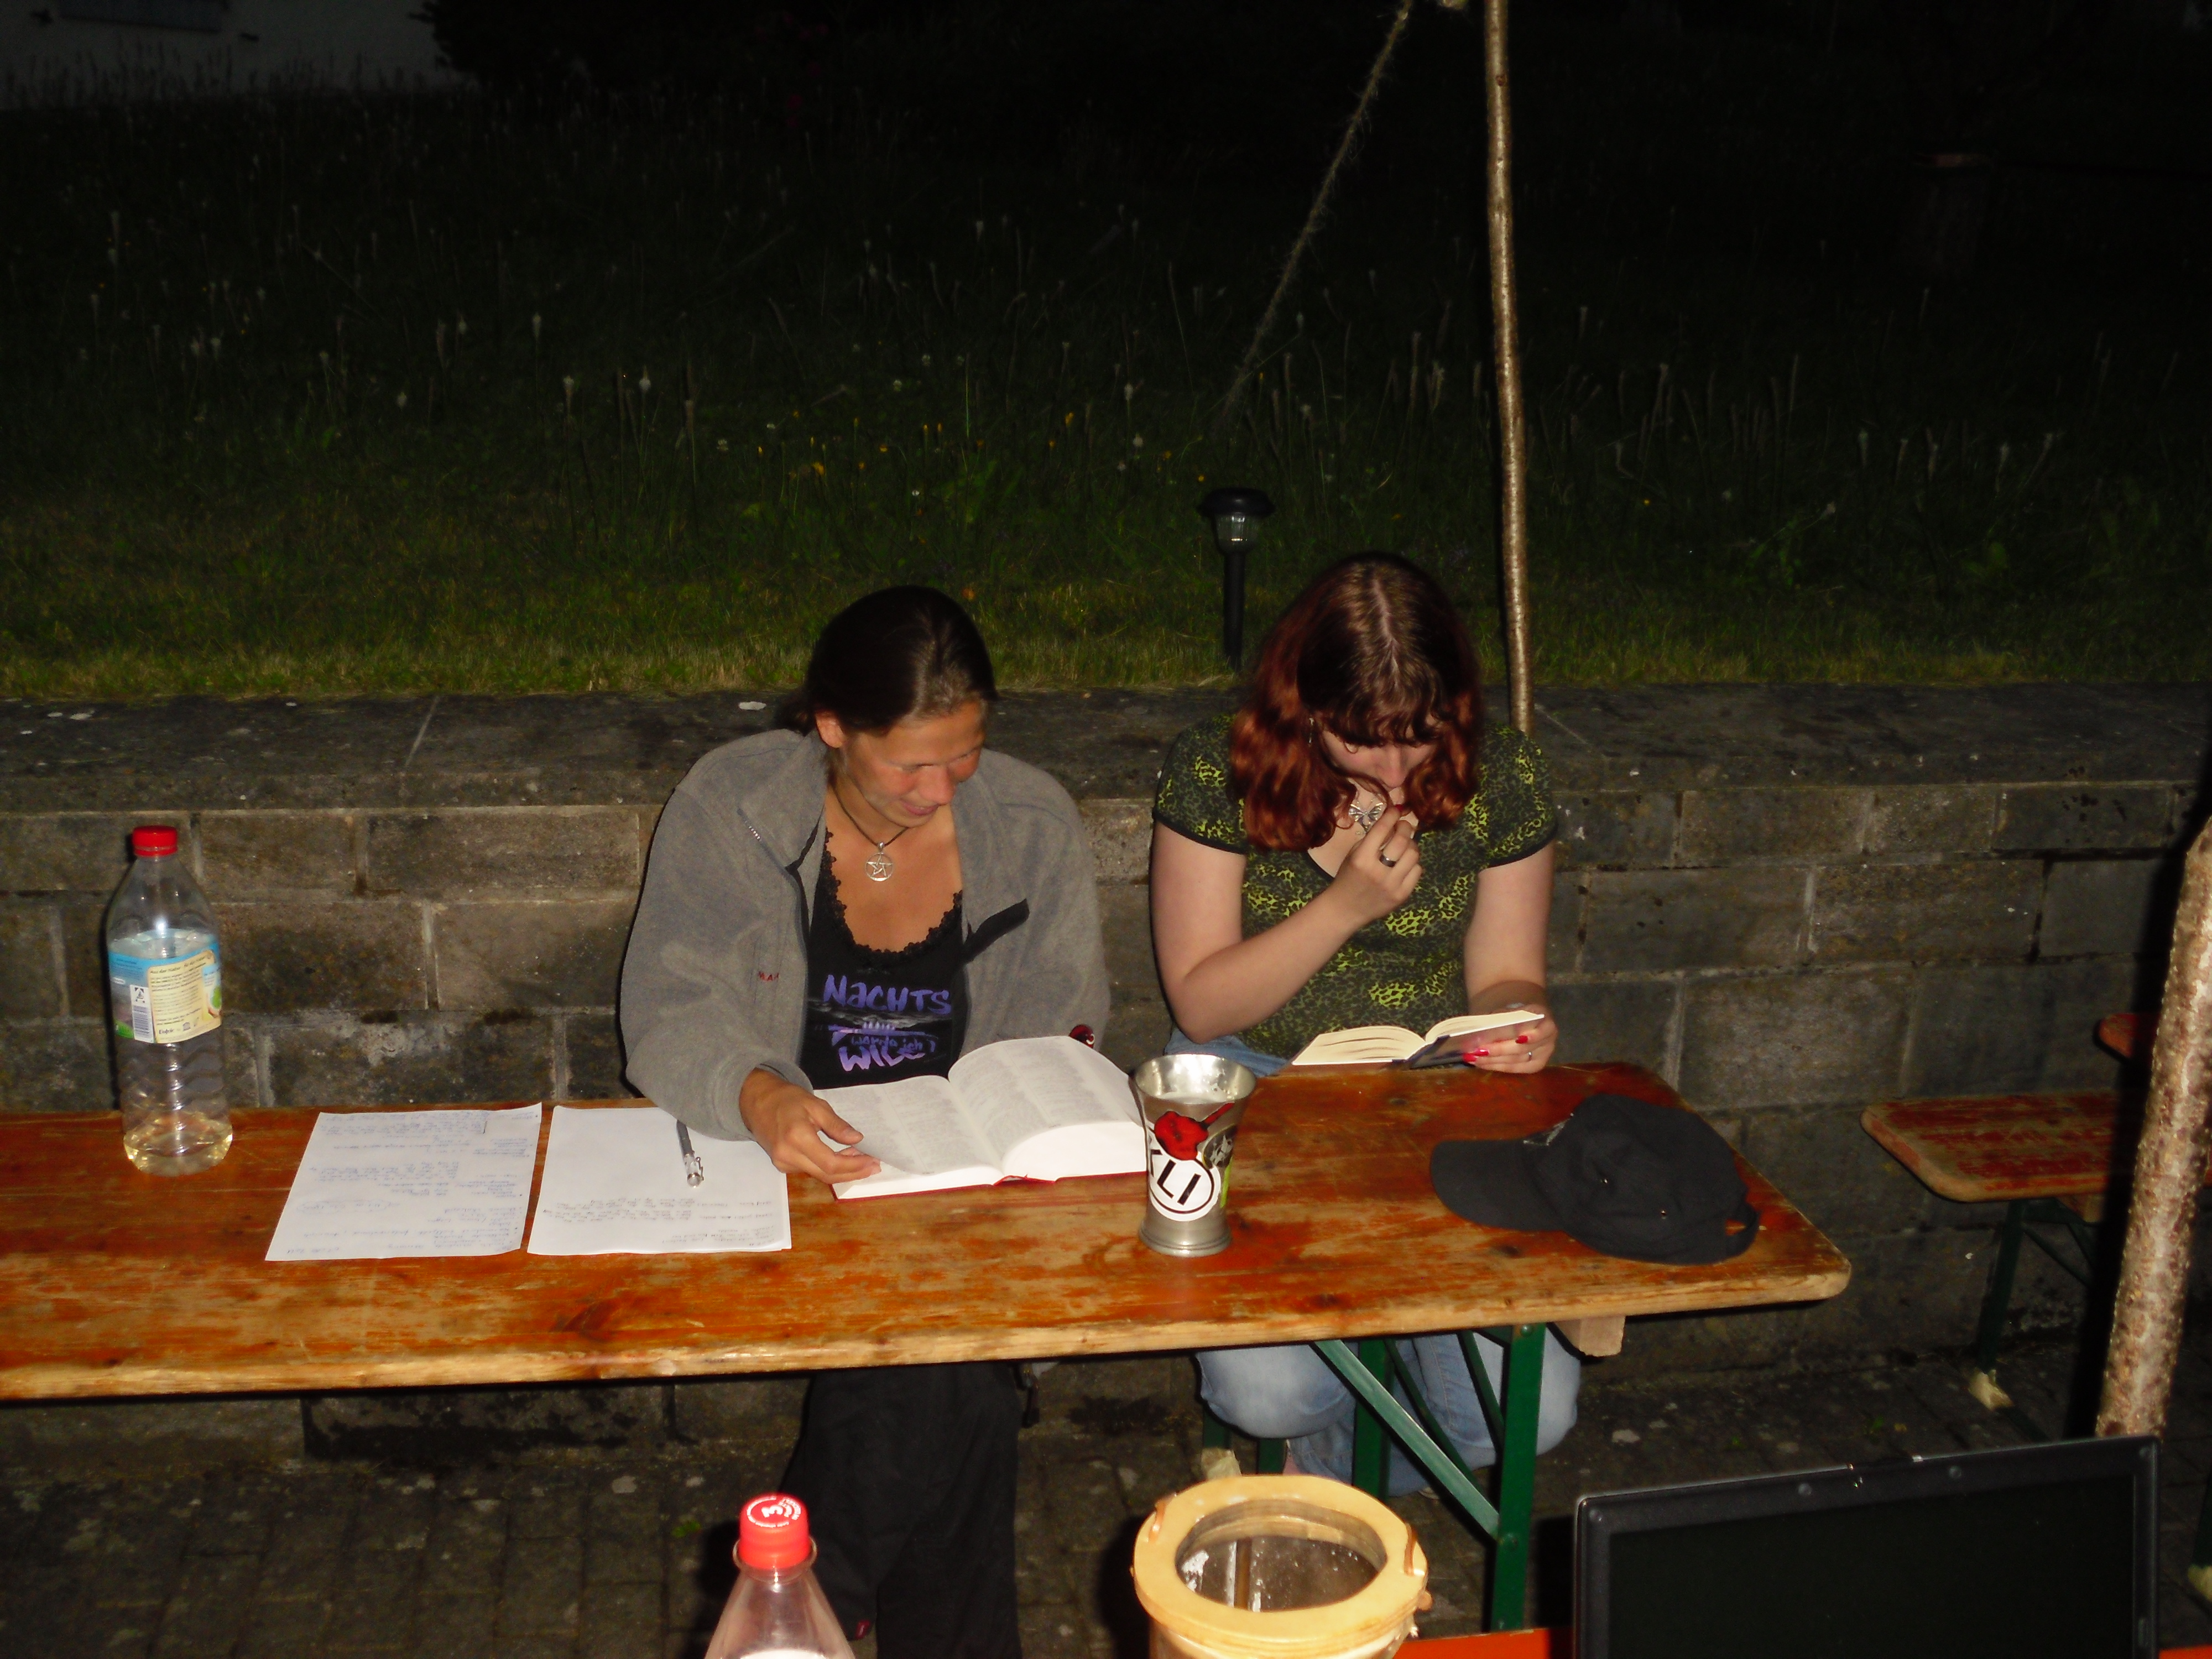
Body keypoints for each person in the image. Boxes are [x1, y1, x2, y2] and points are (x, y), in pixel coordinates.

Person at [622, 586, 1108, 1659]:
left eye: (965, 755)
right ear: (831, 727)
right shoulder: (737, 804)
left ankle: (791, 1617)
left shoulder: (1029, 824)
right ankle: (805, 1611)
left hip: (961, 1191)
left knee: (941, 1368)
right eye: (910, 766)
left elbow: (1064, 1023)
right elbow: (667, 1007)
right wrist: (757, 1091)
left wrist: (1013, 1131)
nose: (940, 790)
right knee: (959, 1385)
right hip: (781, 1179)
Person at [1148, 552, 1580, 1491]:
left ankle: (1329, 1478)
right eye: (1360, 741)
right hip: (1257, 1078)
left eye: (1419, 740)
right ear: (1303, 705)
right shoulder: (1216, 768)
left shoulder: (1503, 773)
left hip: (1427, 1093)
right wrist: (1344, 907)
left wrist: (1520, 1023)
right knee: (1270, 1396)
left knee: (1527, 1417)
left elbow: (1508, 974)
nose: (1393, 772)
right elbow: (1202, 1004)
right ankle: (1330, 1431)